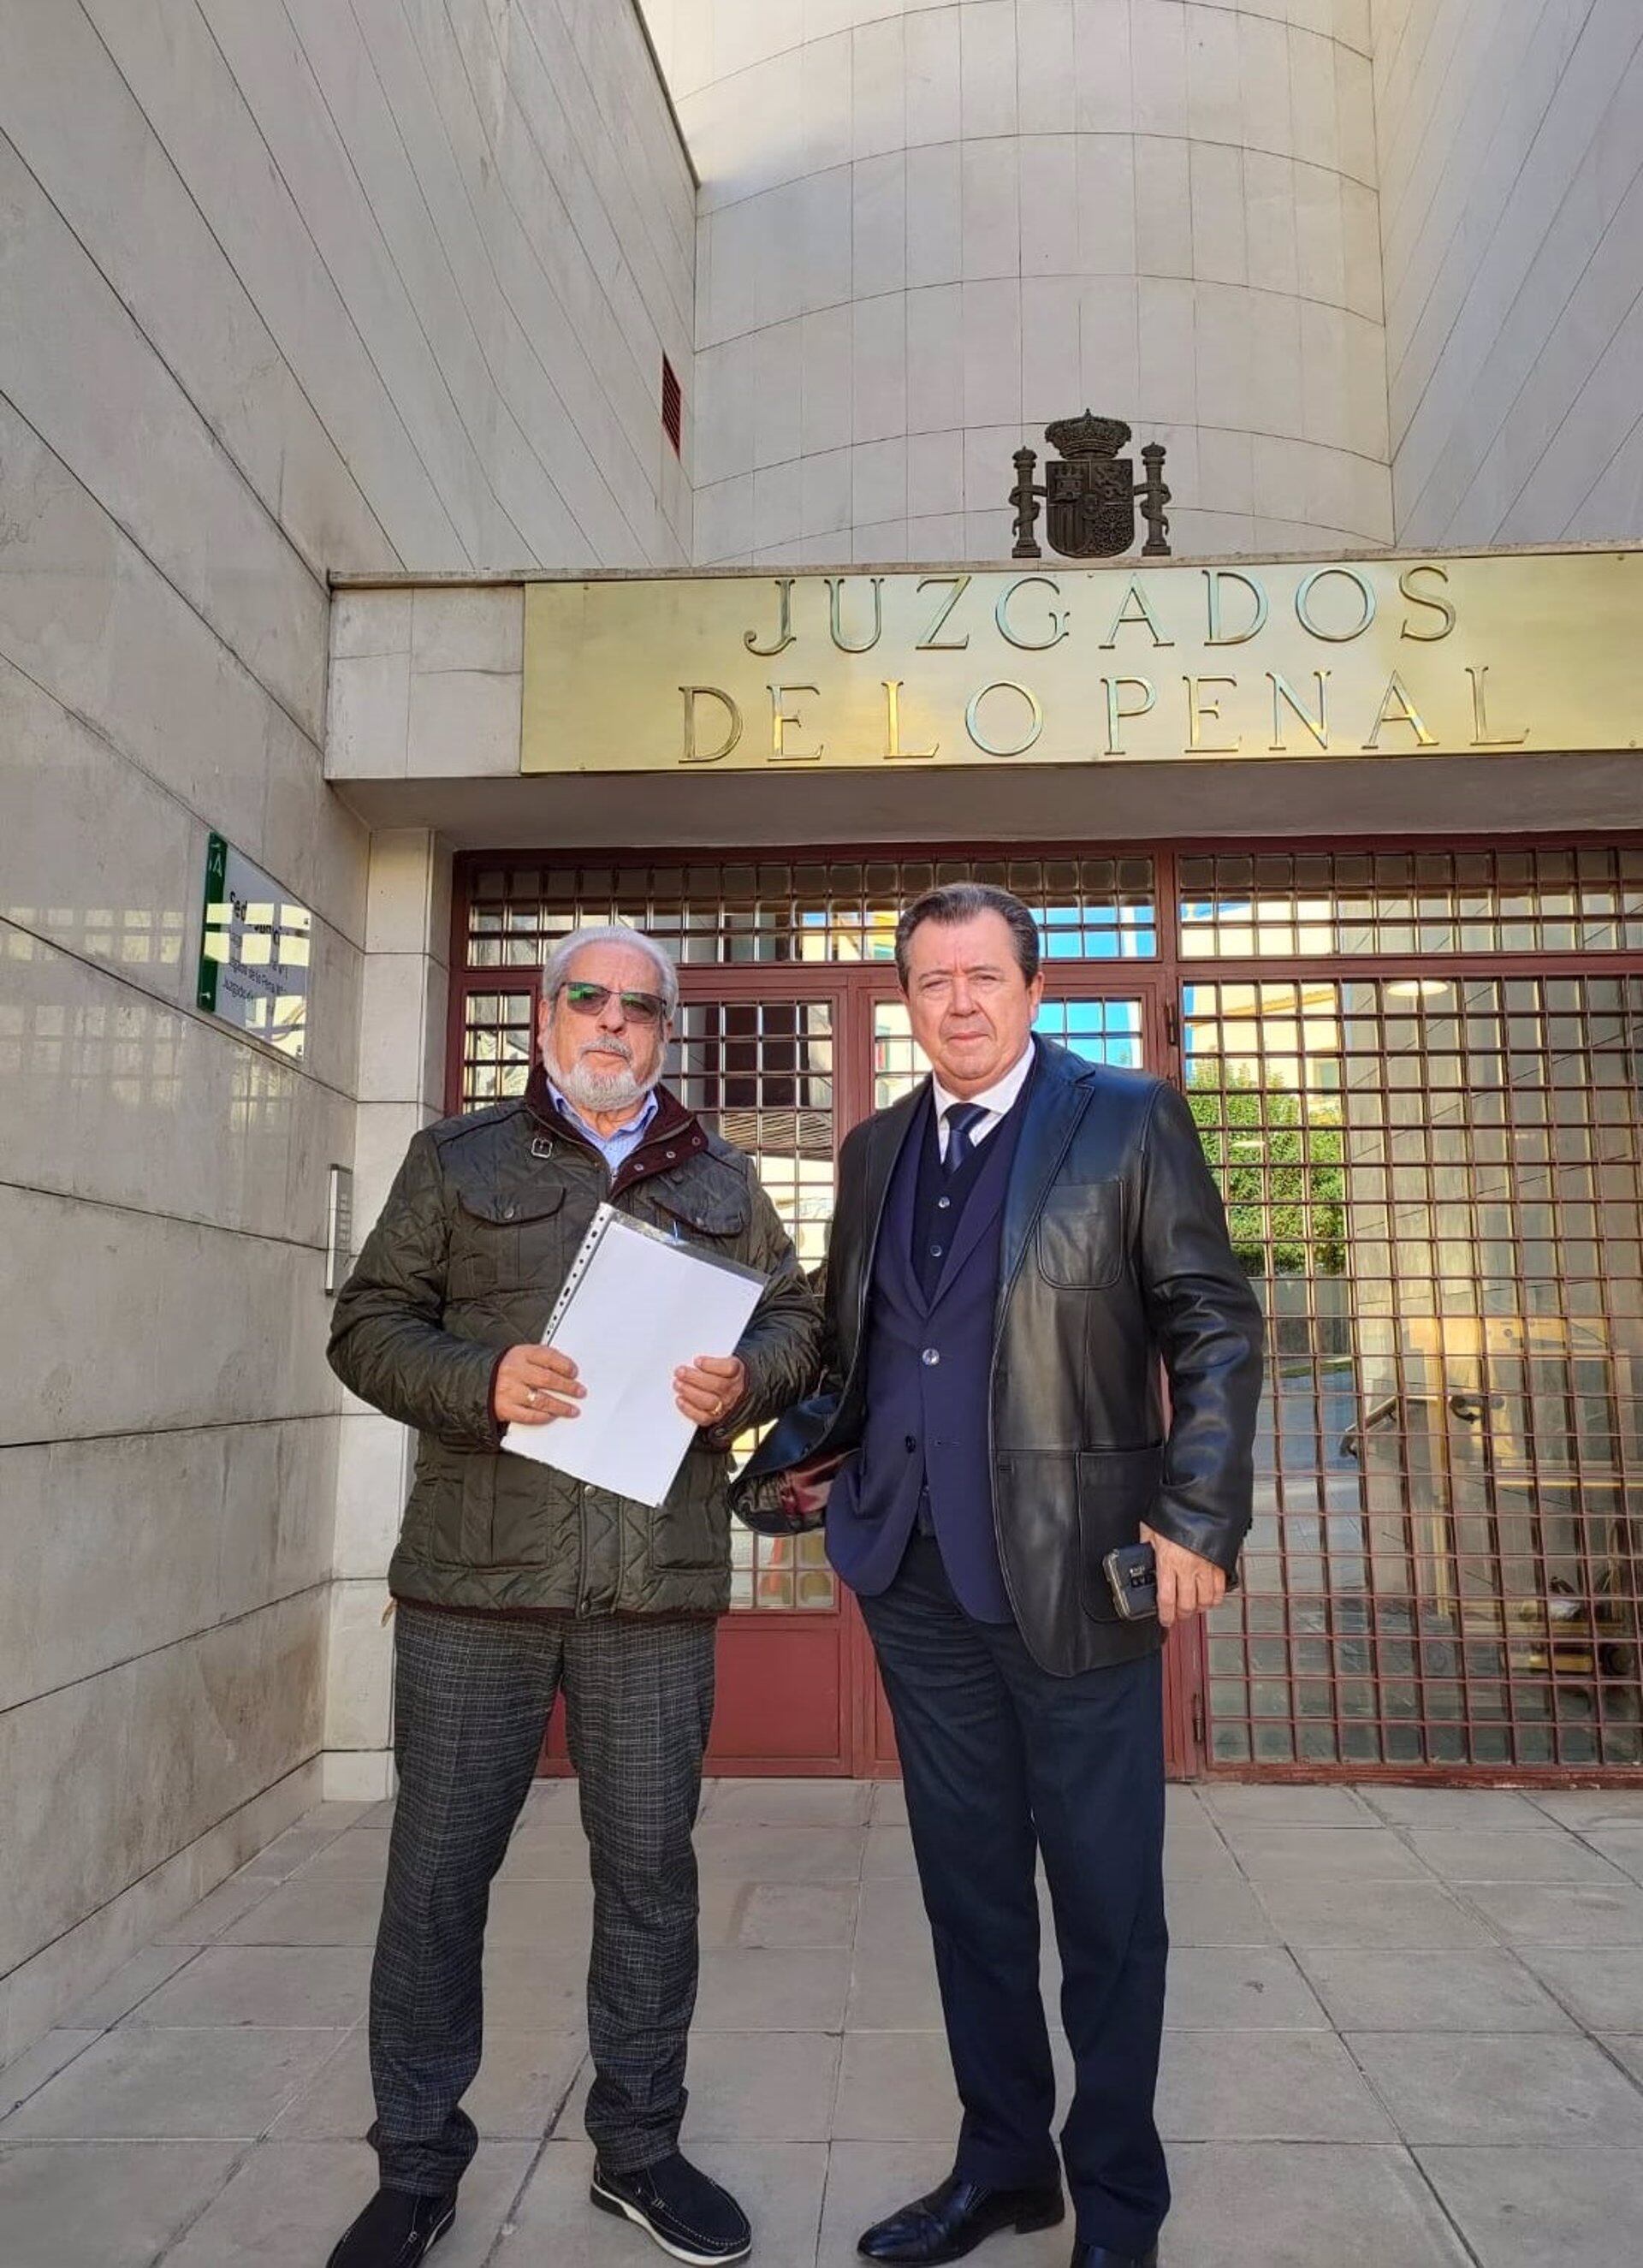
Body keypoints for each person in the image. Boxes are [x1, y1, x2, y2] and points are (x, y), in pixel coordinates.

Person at [324, 923, 822, 2268]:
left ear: (669, 1030)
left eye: (641, 1006)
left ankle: (641, 2149)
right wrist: (478, 1381)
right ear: (546, 1013)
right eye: (588, 997)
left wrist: (750, 1379)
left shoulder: (721, 1174)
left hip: (652, 1589)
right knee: (436, 1879)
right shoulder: (457, 1157)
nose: (613, 1021)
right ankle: (417, 2166)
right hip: (472, 1591)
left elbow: (797, 1318)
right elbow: (366, 1323)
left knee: (652, 1878)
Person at [817, 883, 1263, 2268]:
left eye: (983, 975)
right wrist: (803, 1454)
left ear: (1030, 985)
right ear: (907, 999)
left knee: (1109, 1906)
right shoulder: (876, 1146)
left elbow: (1214, 1323)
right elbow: (865, 1345)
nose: (959, 1000)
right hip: (918, 1578)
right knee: (971, 1898)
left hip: (1084, 1577)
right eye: (933, 979)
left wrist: (1198, 1515)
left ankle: (1118, 2209)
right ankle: (1005, 2161)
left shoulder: (1124, 1117)